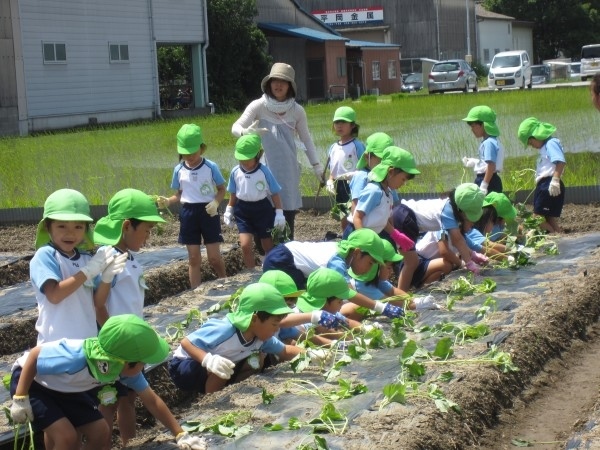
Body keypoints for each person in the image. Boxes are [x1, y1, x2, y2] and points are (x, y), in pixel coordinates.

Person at [9, 314, 206, 450]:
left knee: (100, 432)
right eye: (143, 362)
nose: (144, 366)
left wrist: (180, 434)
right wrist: (20, 397)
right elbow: (34, 357)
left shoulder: (122, 369)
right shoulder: (76, 356)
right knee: (66, 436)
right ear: (128, 362)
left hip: (68, 389)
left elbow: (152, 401)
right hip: (34, 384)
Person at [92, 188, 167, 447]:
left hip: (129, 341)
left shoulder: (129, 258)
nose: (148, 237)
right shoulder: (107, 258)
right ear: (127, 226)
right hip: (115, 344)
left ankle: (129, 443)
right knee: (108, 399)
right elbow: (98, 305)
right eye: (146, 230)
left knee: (127, 398)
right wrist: (116, 345)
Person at [168, 283, 321, 394]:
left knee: (237, 365)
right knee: (221, 365)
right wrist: (208, 359)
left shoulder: (261, 338)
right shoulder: (225, 329)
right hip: (185, 366)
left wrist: (310, 354)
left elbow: (285, 350)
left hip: (216, 367)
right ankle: (209, 396)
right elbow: (186, 342)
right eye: (274, 324)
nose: (277, 329)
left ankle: (213, 394)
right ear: (254, 319)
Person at [231, 62, 325, 239]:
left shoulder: (297, 111)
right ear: (269, 83)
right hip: (262, 169)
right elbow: (235, 126)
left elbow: (306, 140)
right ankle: (264, 254)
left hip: (287, 169)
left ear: (290, 86)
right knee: (263, 216)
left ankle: (285, 254)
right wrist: (244, 132)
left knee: (286, 217)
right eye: (275, 80)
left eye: (284, 81)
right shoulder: (258, 106)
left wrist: (317, 166)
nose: (278, 85)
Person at [30, 188, 123, 345]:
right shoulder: (45, 255)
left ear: (86, 229)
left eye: (78, 227)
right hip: (56, 345)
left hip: (87, 342)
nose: (70, 234)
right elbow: (54, 295)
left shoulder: (87, 259)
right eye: (62, 226)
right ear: (47, 226)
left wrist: (107, 278)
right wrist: (86, 273)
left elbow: (98, 302)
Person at [262, 227, 404, 320]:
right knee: (289, 303)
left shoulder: (344, 254)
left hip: (289, 259)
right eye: (370, 263)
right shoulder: (336, 261)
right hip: (283, 260)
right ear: (358, 252)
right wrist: (380, 307)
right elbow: (348, 292)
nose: (369, 269)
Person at [157, 123, 227, 288]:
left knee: (214, 257)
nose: (189, 156)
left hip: (208, 212)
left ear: (202, 149)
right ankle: (195, 291)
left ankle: (225, 280)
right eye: (185, 153)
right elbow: (179, 194)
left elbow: (222, 189)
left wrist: (216, 202)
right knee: (194, 258)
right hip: (188, 213)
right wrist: (168, 201)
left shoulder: (211, 167)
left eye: (193, 152)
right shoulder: (179, 169)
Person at [393, 183, 487, 288]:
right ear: (461, 210)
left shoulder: (449, 210)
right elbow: (457, 240)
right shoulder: (447, 211)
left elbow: (460, 240)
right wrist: (468, 263)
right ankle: (401, 297)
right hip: (404, 216)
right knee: (411, 262)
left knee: (412, 262)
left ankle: (408, 293)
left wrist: (472, 254)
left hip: (404, 216)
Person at [223, 134, 286, 268]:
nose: (244, 162)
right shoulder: (235, 172)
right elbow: (233, 193)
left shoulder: (264, 171)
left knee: (267, 243)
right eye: (241, 158)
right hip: (243, 210)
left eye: (248, 158)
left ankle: (271, 267)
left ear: (258, 155)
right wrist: (229, 209)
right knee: (245, 245)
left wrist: (279, 213)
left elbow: (274, 193)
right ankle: (251, 273)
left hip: (262, 209)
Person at [349, 239, 442, 310]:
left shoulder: (376, 279)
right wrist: (416, 306)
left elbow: (392, 291)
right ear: (376, 265)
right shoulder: (361, 285)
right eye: (389, 267)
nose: (391, 272)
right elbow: (387, 301)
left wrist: (413, 299)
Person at [279, 268, 361, 348]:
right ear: (324, 300)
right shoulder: (297, 317)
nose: (342, 303)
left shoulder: (327, 313)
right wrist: (350, 341)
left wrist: (365, 329)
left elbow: (346, 322)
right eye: (339, 301)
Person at [517, 117, 567, 233]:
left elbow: (560, 161)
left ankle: (554, 236)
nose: (531, 146)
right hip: (545, 185)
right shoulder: (545, 147)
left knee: (537, 218)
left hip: (548, 185)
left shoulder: (551, 143)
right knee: (548, 217)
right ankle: (558, 234)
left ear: (536, 135)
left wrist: (555, 180)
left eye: (530, 142)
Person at [325, 106, 365, 230]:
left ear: (352, 125)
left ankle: (358, 237)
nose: (339, 126)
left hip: (354, 183)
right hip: (339, 185)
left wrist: (354, 175)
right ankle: (345, 237)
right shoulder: (333, 147)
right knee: (342, 213)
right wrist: (330, 181)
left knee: (355, 212)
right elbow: (333, 170)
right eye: (337, 122)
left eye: (343, 122)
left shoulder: (357, 145)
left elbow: (365, 167)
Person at [462, 105, 504, 195]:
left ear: (483, 125)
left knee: (486, 208)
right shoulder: (491, 141)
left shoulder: (488, 143)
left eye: (473, 126)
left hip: (488, 180)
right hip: (491, 179)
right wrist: (475, 162)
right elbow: (488, 163)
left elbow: (491, 166)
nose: (472, 130)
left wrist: (484, 185)